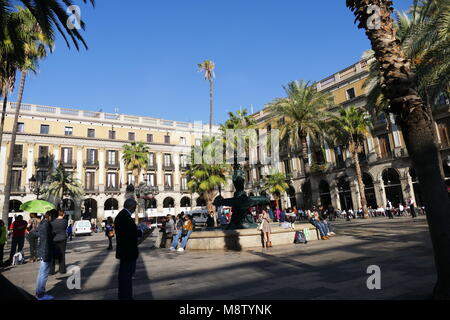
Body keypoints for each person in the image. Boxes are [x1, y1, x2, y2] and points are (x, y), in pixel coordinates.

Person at [114, 199, 142, 300]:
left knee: (124, 275)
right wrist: (140, 232)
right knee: (127, 276)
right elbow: (130, 234)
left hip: (124, 250)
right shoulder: (126, 217)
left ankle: (123, 295)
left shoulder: (121, 216)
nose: (135, 209)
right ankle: (126, 296)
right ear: (132, 207)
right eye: (134, 207)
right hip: (128, 251)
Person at [35, 210, 55, 300]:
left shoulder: (42, 223)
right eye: (53, 217)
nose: (54, 219)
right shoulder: (47, 225)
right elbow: (47, 239)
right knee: (44, 274)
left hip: (42, 251)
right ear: (50, 216)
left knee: (41, 273)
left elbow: (37, 233)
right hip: (46, 251)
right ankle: (41, 294)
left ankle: (38, 291)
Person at [50, 210, 68, 275]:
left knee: (52, 255)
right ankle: (62, 270)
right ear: (63, 214)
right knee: (62, 254)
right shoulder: (65, 221)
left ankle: (51, 271)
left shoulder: (52, 222)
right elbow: (65, 228)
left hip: (54, 239)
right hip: (62, 239)